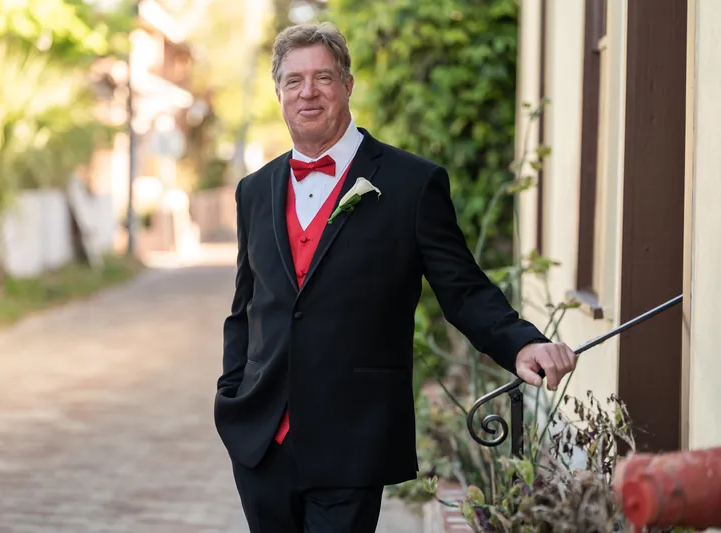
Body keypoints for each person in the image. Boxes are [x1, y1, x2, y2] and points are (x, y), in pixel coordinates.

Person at [214, 22, 577, 533]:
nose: (308, 92)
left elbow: (463, 289)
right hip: (261, 439)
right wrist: (232, 395)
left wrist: (522, 345)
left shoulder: (411, 183)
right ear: (279, 91)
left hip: (351, 435)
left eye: (322, 77)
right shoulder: (254, 190)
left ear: (347, 85)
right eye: (294, 80)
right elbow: (245, 307)